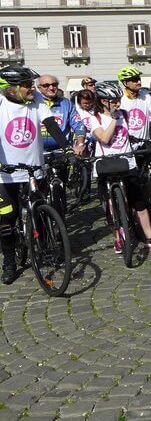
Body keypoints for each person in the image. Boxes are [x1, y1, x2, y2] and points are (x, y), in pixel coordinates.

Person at [0, 66, 71, 283]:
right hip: (6, 175)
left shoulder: (36, 99)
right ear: (11, 89)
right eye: (26, 85)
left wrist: (66, 147)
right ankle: (9, 262)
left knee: (39, 212)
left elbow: (50, 124)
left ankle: (43, 250)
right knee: (5, 220)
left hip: (34, 170)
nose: (32, 88)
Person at [90, 81, 151, 251]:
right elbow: (104, 138)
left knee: (139, 201)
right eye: (114, 101)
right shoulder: (95, 118)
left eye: (119, 100)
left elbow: (129, 134)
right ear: (103, 101)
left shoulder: (124, 114)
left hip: (127, 162)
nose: (118, 103)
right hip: (106, 164)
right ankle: (118, 237)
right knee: (111, 205)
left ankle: (149, 236)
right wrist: (113, 120)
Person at [37, 74, 86, 158]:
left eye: (54, 84)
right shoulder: (34, 103)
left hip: (62, 149)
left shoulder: (66, 103)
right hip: (38, 150)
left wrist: (80, 144)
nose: (51, 88)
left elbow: (79, 125)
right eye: (46, 85)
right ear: (39, 87)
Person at [117, 67, 151, 143]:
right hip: (128, 143)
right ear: (125, 83)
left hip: (145, 142)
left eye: (139, 79)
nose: (138, 82)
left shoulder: (145, 95)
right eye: (134, 80)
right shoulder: (120, 98)